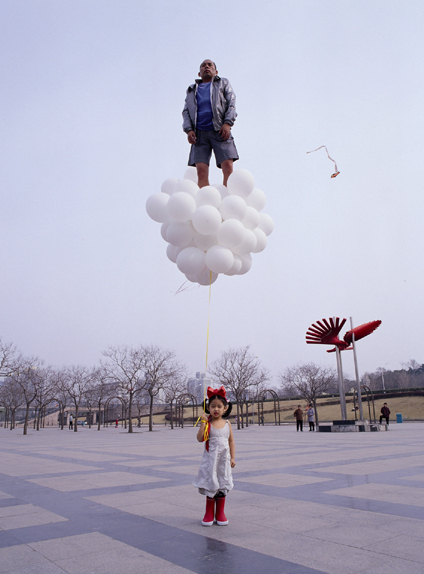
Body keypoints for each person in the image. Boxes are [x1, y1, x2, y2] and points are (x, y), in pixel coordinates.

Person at [182, 59, 239, 188]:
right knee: (201, 172)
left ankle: (228, 199)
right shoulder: (192, 89)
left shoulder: (223, 83)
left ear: (216, 71)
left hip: (219, 129)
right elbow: (186, 111)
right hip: (199, 134)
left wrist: (227, 123)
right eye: (203, 65)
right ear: (199, 73)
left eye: (210, 65)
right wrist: (189, 130)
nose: (206, 67)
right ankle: (205, 203)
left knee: (228, 167)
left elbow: (231, 103)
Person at [193, 386, 235, 526]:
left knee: (222, 482)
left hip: (223, 461)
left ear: (225, 408)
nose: (216, 409)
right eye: (213, 406)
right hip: (211, 461)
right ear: (208, 407)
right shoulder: (208, 423)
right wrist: (202, 425)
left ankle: (220, 513)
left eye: (219, 406)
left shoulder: (227, 424)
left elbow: (231, 441)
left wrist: (233, 458)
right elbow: (200, 439)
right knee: (211, 483)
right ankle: (209, 513)